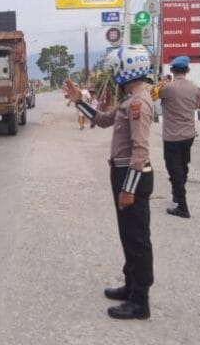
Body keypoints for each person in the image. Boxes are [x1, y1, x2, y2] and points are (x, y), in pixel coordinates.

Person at [63, 46, 155, 320]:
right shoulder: (129, 100)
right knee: (127, 235)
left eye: (115, 69)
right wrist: (80, 100)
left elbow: (141, 150)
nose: (113, 74)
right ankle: (130, 286)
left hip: (132, 177)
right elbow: (102, 120)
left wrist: (129, 188)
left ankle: (140, 302)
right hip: (123, 174)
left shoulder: (139, 103)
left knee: (137, 240)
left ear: (127, 71)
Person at [156, 56, 200, 219]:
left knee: (175, 171)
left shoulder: (168, 88)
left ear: (172, 70)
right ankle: (176, 195)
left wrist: (162, 81)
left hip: (172, 136)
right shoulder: (195, 88)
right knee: (183, 166)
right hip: (189, 134)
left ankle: (182, 207)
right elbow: (195, 105)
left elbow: (153, 94)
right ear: (187, 70)